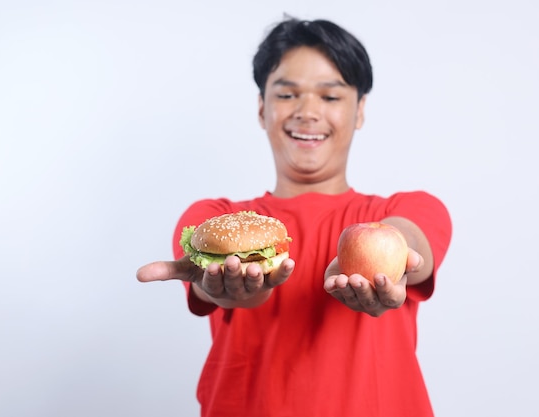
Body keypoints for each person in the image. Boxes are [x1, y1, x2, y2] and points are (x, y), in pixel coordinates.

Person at [137, 17, 452, 417]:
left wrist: (392, 260)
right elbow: (214, 288)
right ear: (261, 108)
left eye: (331, 97)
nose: (307, 112)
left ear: (360, 111)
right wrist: (230, 290)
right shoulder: (212, 220)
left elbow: (411, 244)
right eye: (287, 95)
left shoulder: (411, 210)